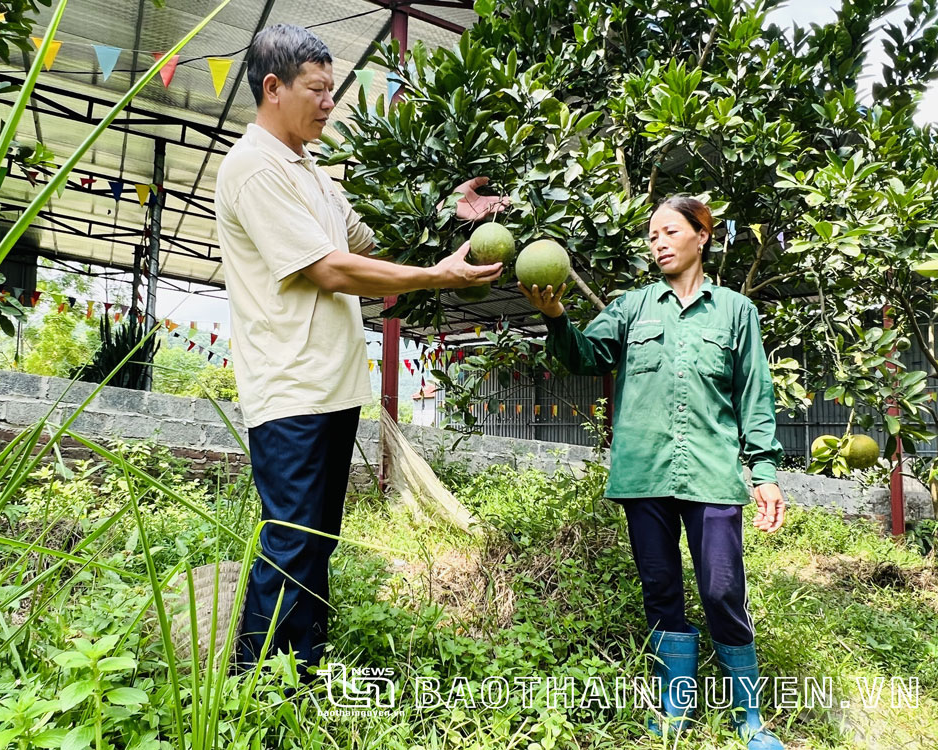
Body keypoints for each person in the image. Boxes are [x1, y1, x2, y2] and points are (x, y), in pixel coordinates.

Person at [214, 24, 505, 679]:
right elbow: (330, 271)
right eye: (317, 90)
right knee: (291, 543)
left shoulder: (309, 171)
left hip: (332, 385)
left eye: (331, 90)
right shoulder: (254, 168)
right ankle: (259, 689)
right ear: (273, 88)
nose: (329, 103)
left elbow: (364, 247)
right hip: (291, 388)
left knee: (316, 542)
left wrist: (450, 215)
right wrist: (439, 276)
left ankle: (301, 669)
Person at [520, 196, 786, 750]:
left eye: (669, 231)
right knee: (661, 589)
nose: (658, 242)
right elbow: (585, 357)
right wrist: (556, 319)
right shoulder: (632, 307)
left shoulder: (737, 311)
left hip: (711, 472)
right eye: (650, 235)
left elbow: (754, 395)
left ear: (702, 236)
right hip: (645, 473)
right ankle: (675, 705)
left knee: (721, 588)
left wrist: (764, 472)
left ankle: (749, 716)